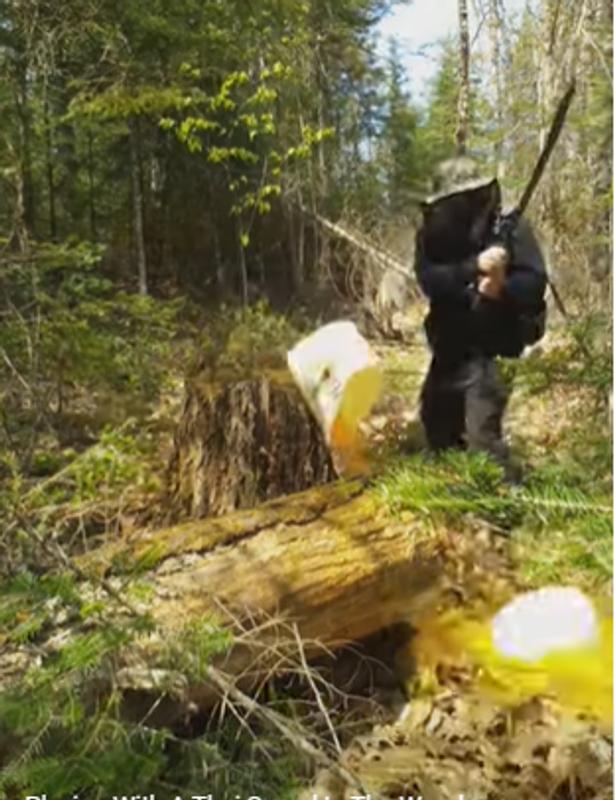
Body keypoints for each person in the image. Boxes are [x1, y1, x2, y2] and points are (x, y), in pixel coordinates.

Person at [414, 157, 548, 480]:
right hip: (450, 349)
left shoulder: (510, 229)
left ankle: (503, 505)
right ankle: (453, 504)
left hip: (494, 349)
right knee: (436, 426)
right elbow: (430, 280)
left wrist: (501, 288)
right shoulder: (434, 236)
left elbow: (534, 283)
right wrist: (474, 266)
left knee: (482, 439)